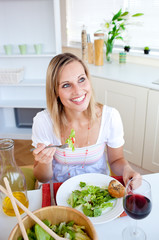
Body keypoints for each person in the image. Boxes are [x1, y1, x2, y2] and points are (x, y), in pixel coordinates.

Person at [32, 52, 140, 185]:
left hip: (98, 190)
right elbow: (42, 178)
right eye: (66, 85)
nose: (77, 91)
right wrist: (45, 162)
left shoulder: (110, 117)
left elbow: (116, 160)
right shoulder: (43, 122)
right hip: (58, 189)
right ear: (55, 92)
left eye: (81, 79)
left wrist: (127, 170)